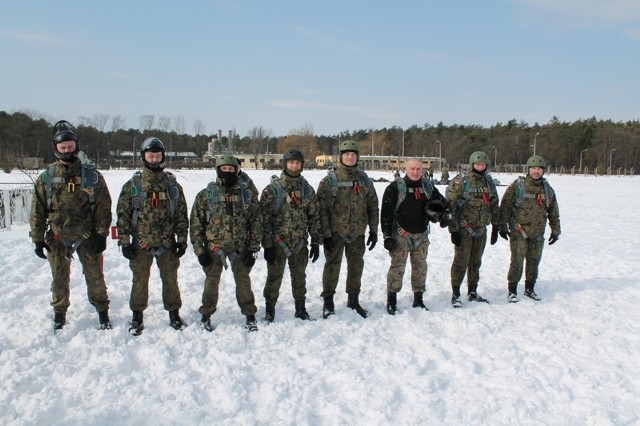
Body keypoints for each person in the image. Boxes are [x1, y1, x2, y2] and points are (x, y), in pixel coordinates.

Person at [29, 120, 112, 331]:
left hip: (87, 236)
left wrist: (101, 234)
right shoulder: (46, 179)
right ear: (56, 148)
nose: (67, 150)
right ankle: (59, 312)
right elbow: (37, 210)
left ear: (77, 146)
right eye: (62, 147)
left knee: (95, 277)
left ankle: (102, 310)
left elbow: (103, 207)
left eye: (70, 146)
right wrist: (37, 238)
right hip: (58, 236)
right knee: (58, 278)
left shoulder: (92, 177)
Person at [116, 137, 189, 335]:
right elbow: (122, 216)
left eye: (157, 156)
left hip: (167, 244)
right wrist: (124, 242)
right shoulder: (133, 186)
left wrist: (182, 241)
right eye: (151, 156)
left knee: (171, 280)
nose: (154, 160)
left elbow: (182, 215)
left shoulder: (172, 186)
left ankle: (174, 313)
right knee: (139, 281)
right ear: (144, 157)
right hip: (141, 244)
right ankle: (137, 315)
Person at [190, 154, 262, 331]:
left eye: (231, 169)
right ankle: (206, 315)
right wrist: (200, 251)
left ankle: (249, 314)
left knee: (244, 283)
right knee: (211, 283)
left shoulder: (247, 195)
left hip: (240, 248)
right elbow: (196, 224)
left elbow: (256, 222)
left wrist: (253, 249)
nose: (228, 172)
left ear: (237, 171)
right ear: (218, 170)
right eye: (224, 169)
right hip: (214, 249)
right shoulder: (206, 195)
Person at [317, 140, 379, 319]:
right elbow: (322, 210)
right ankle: (328, 301)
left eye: (353, 154)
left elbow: (373, 206)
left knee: (356, 266)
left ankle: (353, 299)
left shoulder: (365, 180)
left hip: (358, 233)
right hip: (336, 233)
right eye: (346, 154)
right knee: (332, 267)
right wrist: (326, 234)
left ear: (357, 157)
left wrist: (373, 231)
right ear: (341, 157)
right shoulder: (330, 180)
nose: (350, 157)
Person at [381, 158, 450, 314]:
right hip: (401, 234)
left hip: (421, 235)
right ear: (406, 169)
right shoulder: (395, 188)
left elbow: (444, 203)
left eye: (418, 169)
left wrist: (443, 214)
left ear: (422, 170)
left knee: (420, 268)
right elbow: (386, 213)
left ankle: (418, 300)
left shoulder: (428, 186)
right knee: (397, 268)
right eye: (412, 168)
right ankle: (391, 301)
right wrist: (387, 236)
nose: (415, 172)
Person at [260, 149, 322, 322]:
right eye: (291, 162)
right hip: (277, 243)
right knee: (274, 277)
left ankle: (300, 309)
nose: (294, 166)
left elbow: (314, 216)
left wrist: (315, 241)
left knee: (300, 277)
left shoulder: (307, 190)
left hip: (300, 243)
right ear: (285, 164)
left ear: (301, 165)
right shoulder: (272, 190)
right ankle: (270, 309)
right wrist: (267, 245)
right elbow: (263, 220)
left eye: (297, 163)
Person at [499, 155, 561, 303]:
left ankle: (530, 288)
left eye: (539, 169)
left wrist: (556, 230)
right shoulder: (518, 185)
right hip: (519, 231)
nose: (536, 171)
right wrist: (502, 226)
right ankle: (512, 289)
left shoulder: (547, 189)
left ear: (543, 171)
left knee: (534, 262)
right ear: (528, 169)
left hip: (538, 233)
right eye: (533, 168)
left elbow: (553, 211)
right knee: (517, 261)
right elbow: (505, 206)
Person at [446, 151, 500, 308]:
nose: (480, 167)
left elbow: (494, 204)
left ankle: (472, 291)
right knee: (461, 262)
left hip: (481, 229)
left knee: (476, 262)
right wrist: (453, 229)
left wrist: (496, 225)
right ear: (471, 165)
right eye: (477, 164)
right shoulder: (461, 181)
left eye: (482, 165)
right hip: (463, 229)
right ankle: (456, 293)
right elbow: (451, 205)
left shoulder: (488, 183)